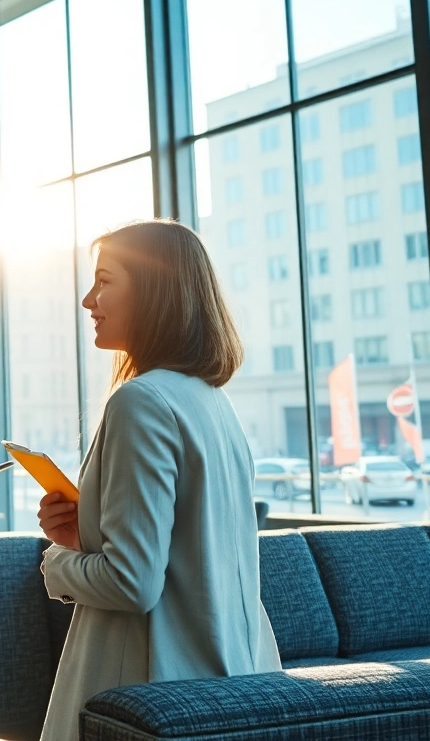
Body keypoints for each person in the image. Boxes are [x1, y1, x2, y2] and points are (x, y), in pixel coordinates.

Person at [36, 219, 282, 741]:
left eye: (105, 280)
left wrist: (57, 565)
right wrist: (85, 536)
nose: (88, 300)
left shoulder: (141, 401)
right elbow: (186, 553)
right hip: (230, 676)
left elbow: (131, 583)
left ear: (154, 291)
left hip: (145, 688)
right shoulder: (214, 403)